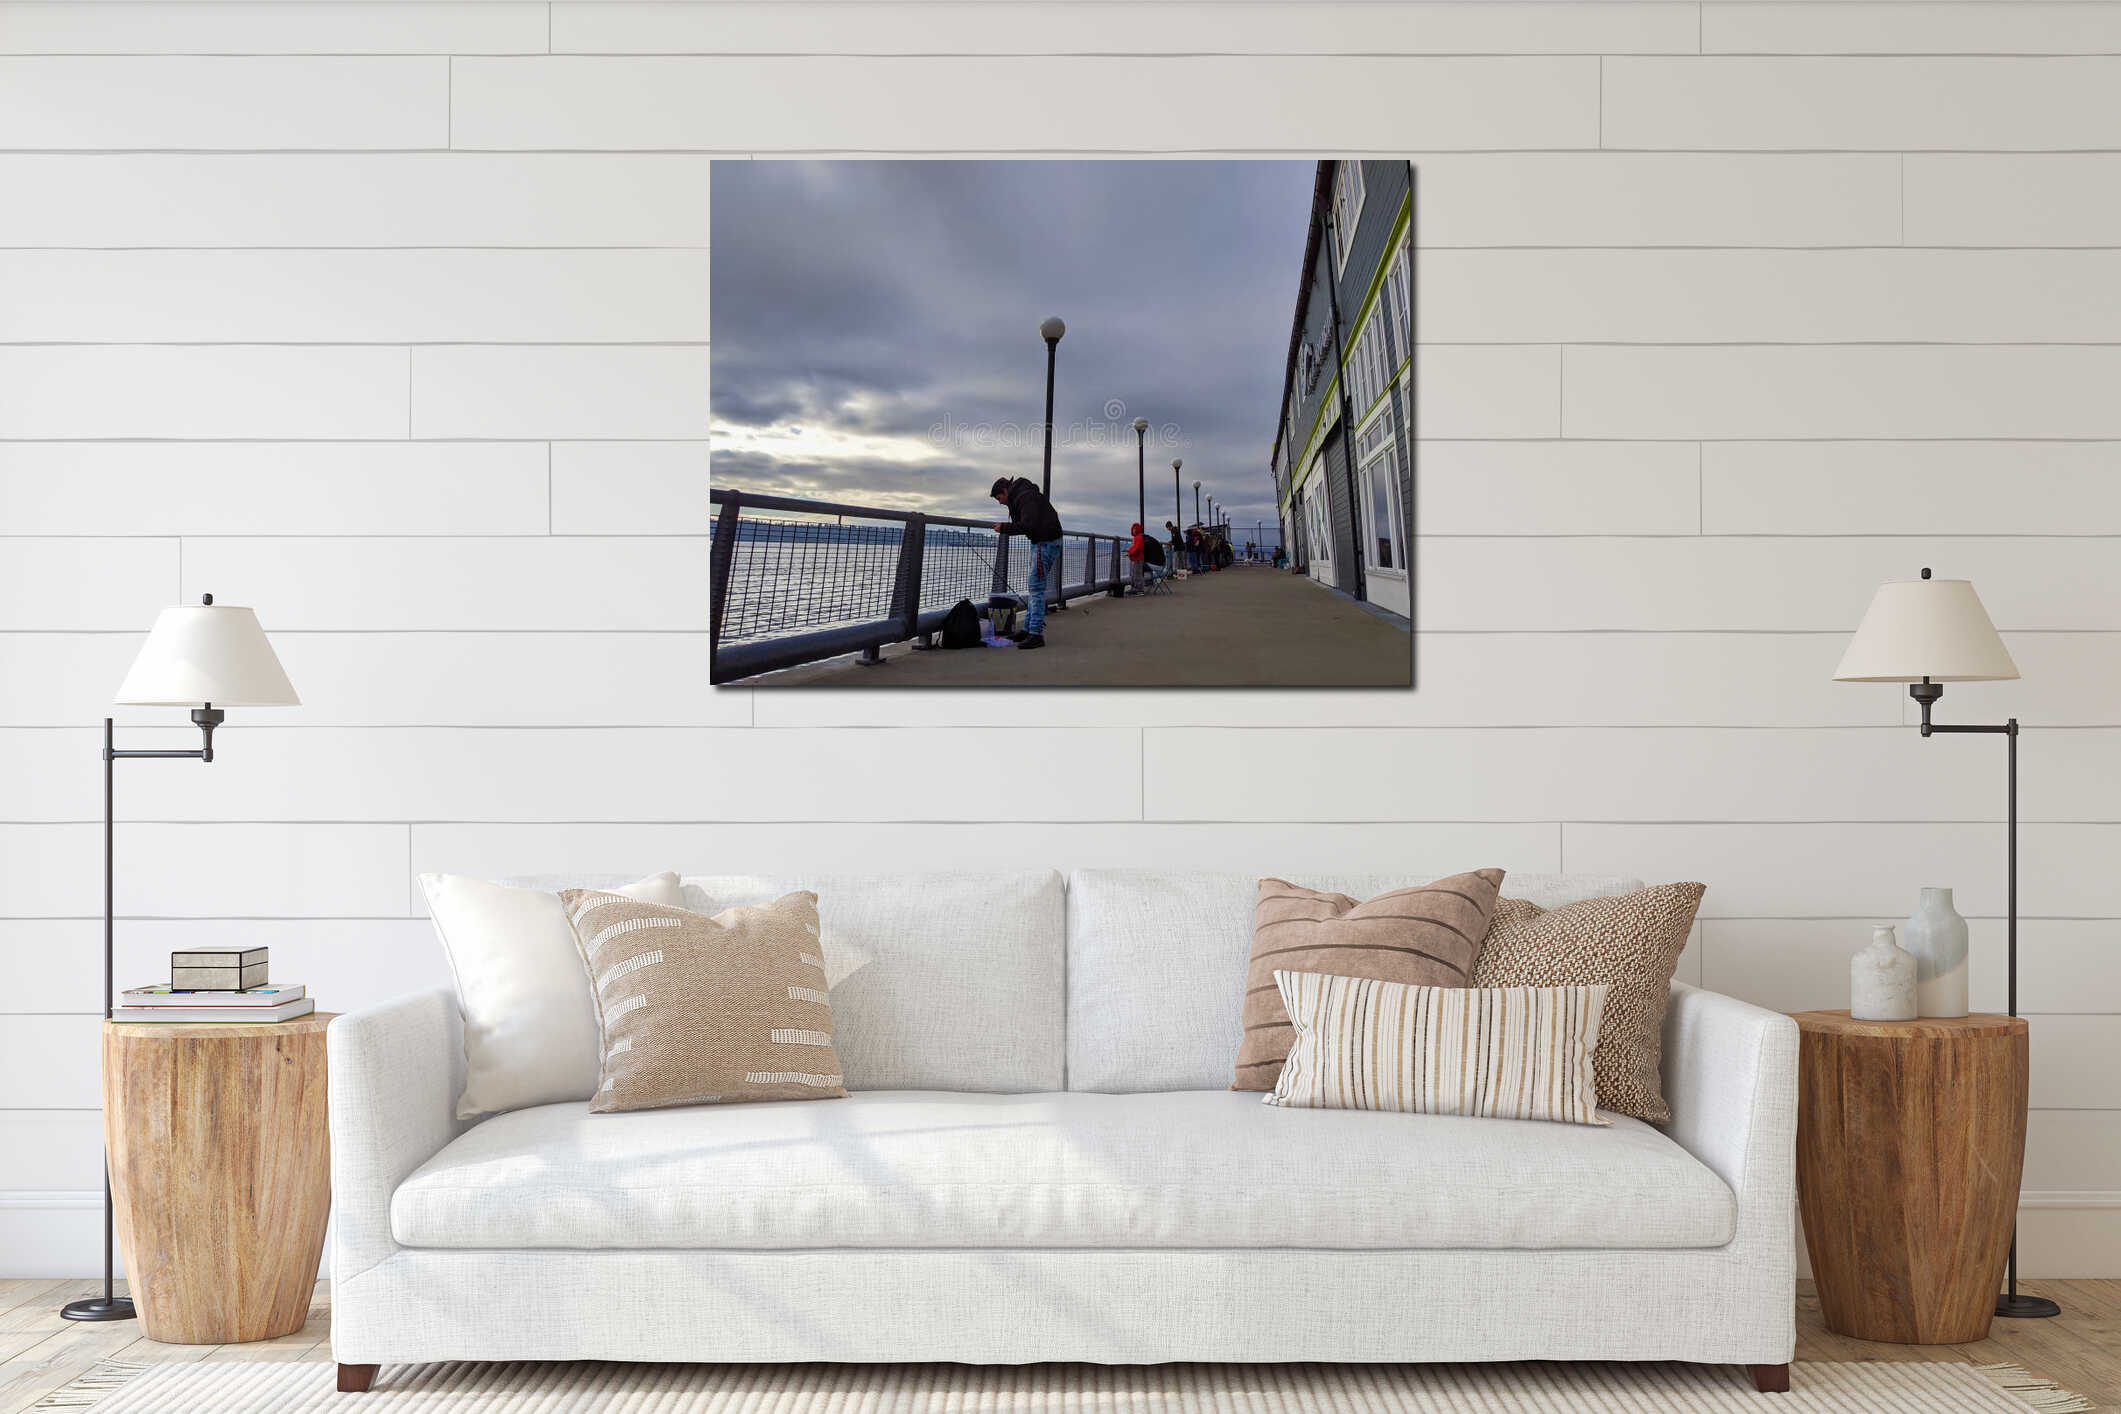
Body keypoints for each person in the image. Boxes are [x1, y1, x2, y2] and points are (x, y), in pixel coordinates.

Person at [990, 475, 1063, 649]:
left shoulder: (1025, 498)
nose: (1000, 503)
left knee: (1036, 588)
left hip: (1044, 542)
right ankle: (1027, 629)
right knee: (1034, 587)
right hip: (1044, 542)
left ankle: (1036, 634)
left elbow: (1027, 525)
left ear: (1005, 491)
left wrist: (1004, 528)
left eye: (999, 498)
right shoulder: (1025, 495)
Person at [1126, 522, 1146, 593]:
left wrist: (1130, 552)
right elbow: (1135, 548)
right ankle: (1135, 588)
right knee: (1134, 574)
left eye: (1135, 529)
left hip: (1137, 559)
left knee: (1137, 574)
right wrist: (1130, 552)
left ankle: (1139, 589)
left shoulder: (1138, 537)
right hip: (1135, 558)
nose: (1133, 530)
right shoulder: (1136, 538)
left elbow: (1138, 548)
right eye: (1133, 529)